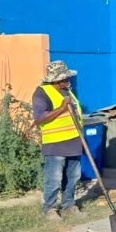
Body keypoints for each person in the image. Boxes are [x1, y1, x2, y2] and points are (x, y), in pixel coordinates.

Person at [32, 60, 83, 221]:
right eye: (64, 78)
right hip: (55, 143)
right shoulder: (42, 93)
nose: (68, 80)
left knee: (73, 176)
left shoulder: (67, 92)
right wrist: (61, 108)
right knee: (54, 179)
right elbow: (39, 118)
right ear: (55, 80)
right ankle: (50, 209)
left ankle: (69, 206)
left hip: (73, 141)